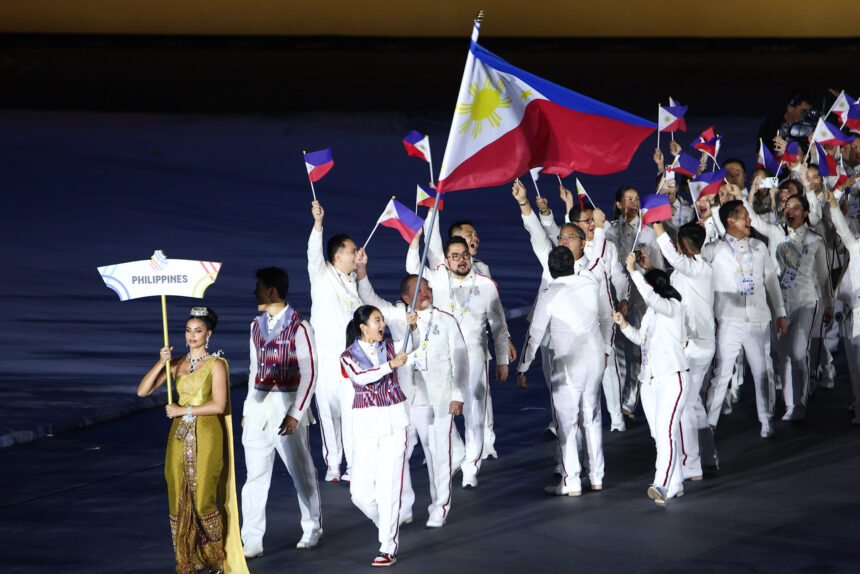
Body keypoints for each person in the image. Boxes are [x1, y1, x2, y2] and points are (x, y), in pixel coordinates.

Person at [356, 258, 468, 528]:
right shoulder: (397, 316)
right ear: (406, 298)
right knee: (398, 456)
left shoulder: (446, 320)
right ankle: (403, 507)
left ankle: (439, 507)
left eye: (428, 288)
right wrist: (361, 271)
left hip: (438, 398)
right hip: (405, 399)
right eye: (419, 290)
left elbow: (461, 359)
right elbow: (368, 297)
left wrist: (458, 394)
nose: (426, 293)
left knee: (437, 455)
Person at [137, 307, 248, 574]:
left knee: (203, 499)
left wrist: (183, 410)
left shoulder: (216, 364)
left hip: (207, 434)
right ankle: (188, 558)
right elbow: (143, 391)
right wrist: (161, 361)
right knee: (178, 497)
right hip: (179, 437)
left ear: (208, 334)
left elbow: (219, 405)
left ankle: (216, 557)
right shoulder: (176, 364)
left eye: (198, 331)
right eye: (188, 330)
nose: (192, 335)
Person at [407, 234, 511, 488]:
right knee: (441, 409)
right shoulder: (439, 278)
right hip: (443, 357)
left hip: (474, 355)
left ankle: (471, 467)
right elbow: (412, 268)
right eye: (455, 256)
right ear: (446, 260)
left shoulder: (486, 285)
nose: (461, 260)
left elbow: (498, 326)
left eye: (464, 254)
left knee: (474, 412)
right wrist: (415, 242)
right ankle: (456, 454)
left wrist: (502, 360)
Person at [419, 205, 518, 458]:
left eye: (475, 234)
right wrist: (432, 210)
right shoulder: (441, 269)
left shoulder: (482, 270)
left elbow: (495, 314)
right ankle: (457, 450)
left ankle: (485, 444)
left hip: (476, 347)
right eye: (468, 234)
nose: (475, 238)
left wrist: (505, 342)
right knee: (446, 399)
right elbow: (432, 241)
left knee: (480, 397)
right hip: (446, 350)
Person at [240, 268, 322, 558]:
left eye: (259, 287)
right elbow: (254, 370)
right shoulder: (255, 325)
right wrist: (247, 408)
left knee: (300, 471)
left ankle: (312, 527)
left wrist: (296, 413)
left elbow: (310, 373)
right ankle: (252, 539)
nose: (255, 293)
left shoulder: (300, 326)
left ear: (272, 291)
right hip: (259, 410)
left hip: (287, 406)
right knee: (255, 477)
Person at [517, 246, 611, 495]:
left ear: (551, 269)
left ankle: (572, 481)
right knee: (592, 418)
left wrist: (523, 367)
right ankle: (597, 476)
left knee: (567, 424)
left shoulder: (550, 293)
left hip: (569, 365)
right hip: (595, 360)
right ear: (572, 264)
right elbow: (606, 318)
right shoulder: (590, 282)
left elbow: (535, 334)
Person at [738, 186, 833, 422]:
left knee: (798, 351)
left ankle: (800, 402)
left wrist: (829, 304)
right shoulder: (776, 233)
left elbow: (824, 275)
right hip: (779, 302)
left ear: (806, 212)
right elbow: (756, 222)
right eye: (787, 207)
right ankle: (791, 405)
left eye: (796, 207)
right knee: (783, 355)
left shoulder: (815, 240)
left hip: (806, 300)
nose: (790, 211)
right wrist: (741, 196)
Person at [339, 305, 417, 567]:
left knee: (388, 489)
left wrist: (413, 326)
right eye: (377, 320)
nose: (382, 324)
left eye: (382, 320)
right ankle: (386, 523)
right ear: (363, 327)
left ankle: (388, 547)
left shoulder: (391, 346)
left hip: (395, 424)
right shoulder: (347, 356)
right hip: (366, 428)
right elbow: (362, 378)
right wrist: (389, 365)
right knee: (359, 494)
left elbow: (413, 344)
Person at [706, 200, 787, 438]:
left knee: (763, 371)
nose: (749, 220)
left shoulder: (759, 247)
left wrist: (780, 313)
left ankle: (766, 419)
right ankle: (709, 425)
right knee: (722, 373)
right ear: (730, 220)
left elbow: (771, 281)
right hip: (729, 320)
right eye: (744, 216)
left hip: (758, 319)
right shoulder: (714, 249)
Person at [612, 257, 689, 506]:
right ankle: (676, 482)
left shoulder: (674, 307)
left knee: (666, 434)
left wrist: (633, 272)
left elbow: (651, 297)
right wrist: (624, 325)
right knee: (660, 436)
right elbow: (641, 340)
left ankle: (661, 484)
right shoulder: (650, 314)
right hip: (649, 382)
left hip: (672, 379)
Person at [653, 221, 714, 480]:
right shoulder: (691, 269)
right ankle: (708, 456)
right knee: (694, 401)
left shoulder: (697, 268)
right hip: (697, 342)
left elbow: (673, 257)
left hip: (694, 344)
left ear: (685, 246)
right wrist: (648, 268)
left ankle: (691, 463)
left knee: (684, 405)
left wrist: (657, 226)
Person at [308, 199, 363, 481]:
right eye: (353, 251)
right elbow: (313, 253)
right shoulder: (322, 274)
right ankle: (333, 465)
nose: (358, 254)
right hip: (326, 360)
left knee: (351, 413)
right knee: (328, 415)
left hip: (351, 361)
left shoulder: (354, 281)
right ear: (337, 256)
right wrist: (318, 224)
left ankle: (353, 465)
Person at [605, 186, 665, 417]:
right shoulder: (609, 231)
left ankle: (629, 402)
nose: (634, 203)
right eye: (628, 199)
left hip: (640, 298)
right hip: (615, 297)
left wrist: (645, 268)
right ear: (619, 204)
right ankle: (619, 399)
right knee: (618, 350)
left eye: (637, 199)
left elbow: (658, 268)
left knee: (636, 350)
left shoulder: (648, 233)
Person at [824, 188, 860, 424]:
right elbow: (842, 229)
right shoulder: (856, 246)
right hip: (855, 312)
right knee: (855, 366)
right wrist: (834, 205)